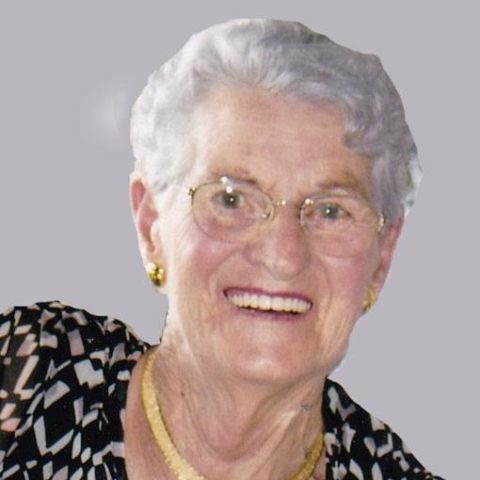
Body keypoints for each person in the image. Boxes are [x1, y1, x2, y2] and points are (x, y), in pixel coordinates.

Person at [0, 18, 444, 480]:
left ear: (382, 255)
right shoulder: (31, 376)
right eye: (231, 199)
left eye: (331, 211)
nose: (283, 256)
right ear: (151, 225)